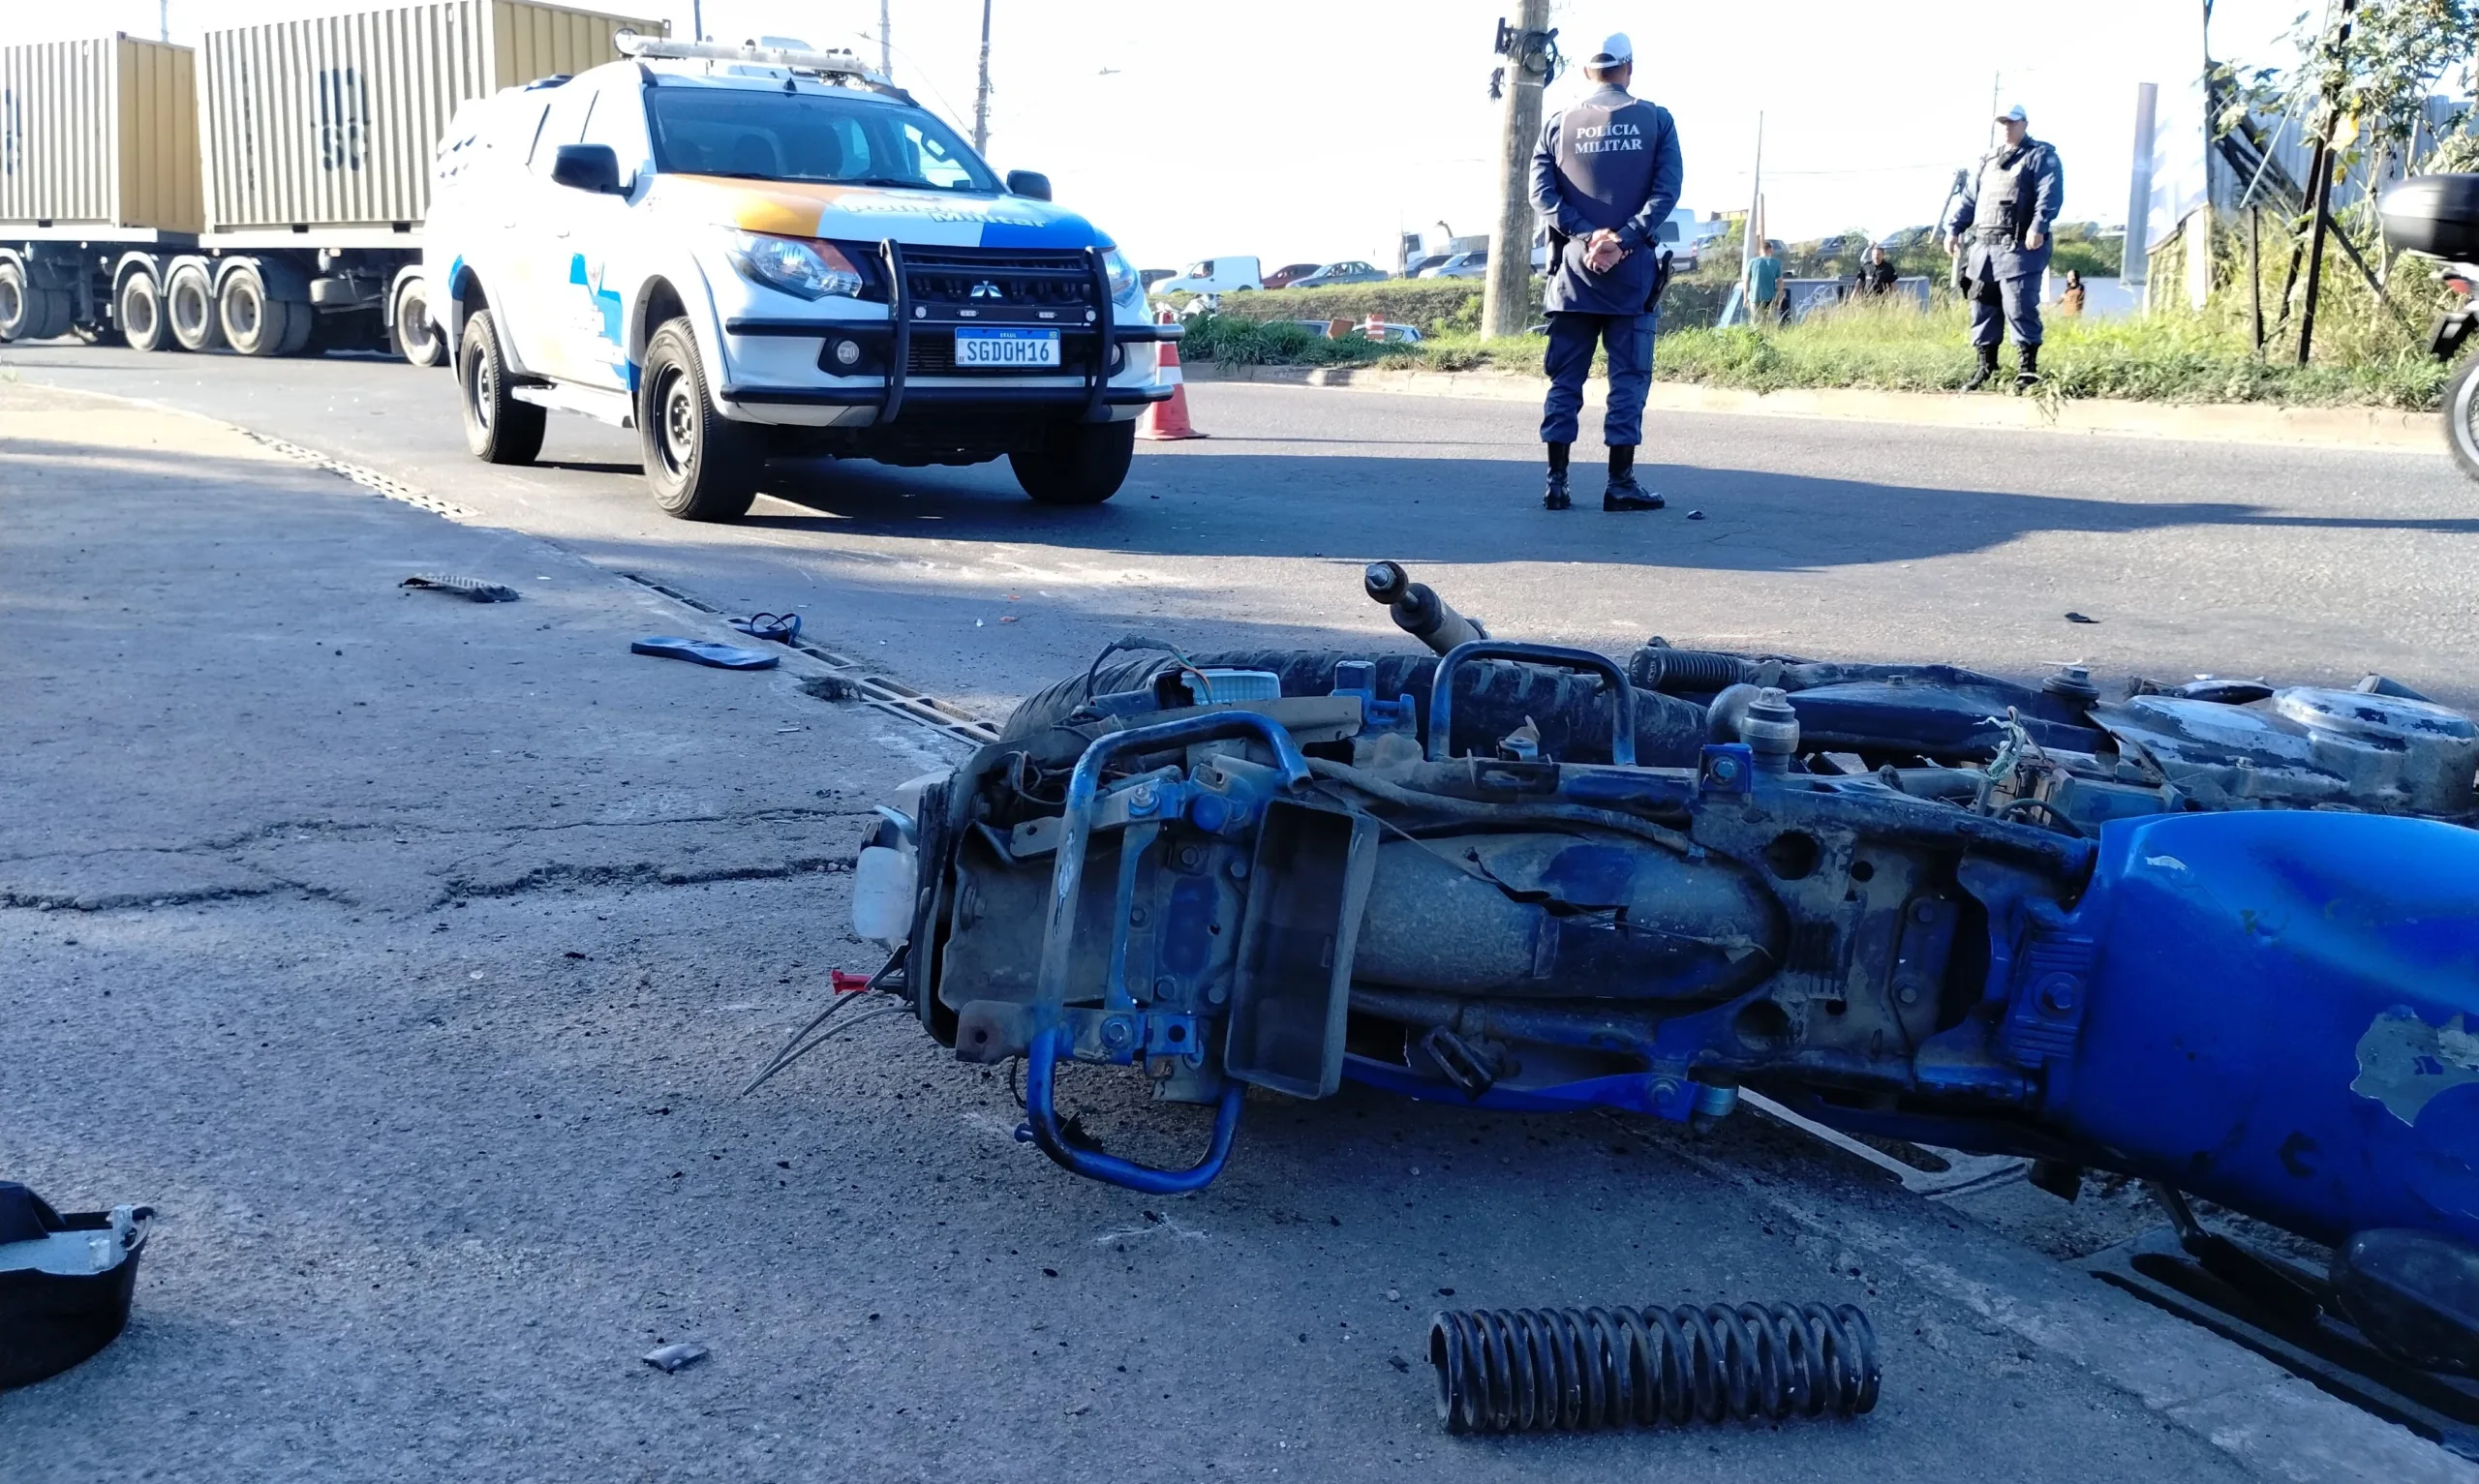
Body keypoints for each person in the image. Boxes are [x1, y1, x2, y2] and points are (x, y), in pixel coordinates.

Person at [1526, 31, 1682, 512]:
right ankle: (1620, 483)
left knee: (1565, 381)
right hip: (1631, 277)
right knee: (1629, 379)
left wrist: (1587, 234)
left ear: (1586, 72)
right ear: (1628, 67)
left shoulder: (1559, 122)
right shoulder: (1656, 120)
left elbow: (1542, 195)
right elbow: (1666, 192)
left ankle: (1557, 483)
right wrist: (1622, 238)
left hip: (1573, 275)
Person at [1945, 104, 2063, 390]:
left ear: (2024, 124)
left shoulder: (2041, 155)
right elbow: (1970, 200)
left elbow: (2050, 193)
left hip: (2019, 248)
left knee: (2019, 306)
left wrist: (2039, 225)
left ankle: (2027, 369)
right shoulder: (1987, 160)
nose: (2007, 127)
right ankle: (1986, 367)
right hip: (1983, 249)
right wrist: (1954, 228)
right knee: (1982, 308)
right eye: (2003, 123)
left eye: (2012, 122)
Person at [1743, 241, 1784, 327]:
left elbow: (1746, 280)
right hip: (1770, 299)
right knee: (1770, 325)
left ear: (1760, 250)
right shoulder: (1776, 263)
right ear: (1771, 250)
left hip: (1755, 298)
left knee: (1755, 326)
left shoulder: (1752, 262)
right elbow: (1780, 282)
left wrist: (1745, 298)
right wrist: (1779, 299)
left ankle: (1757, 340)